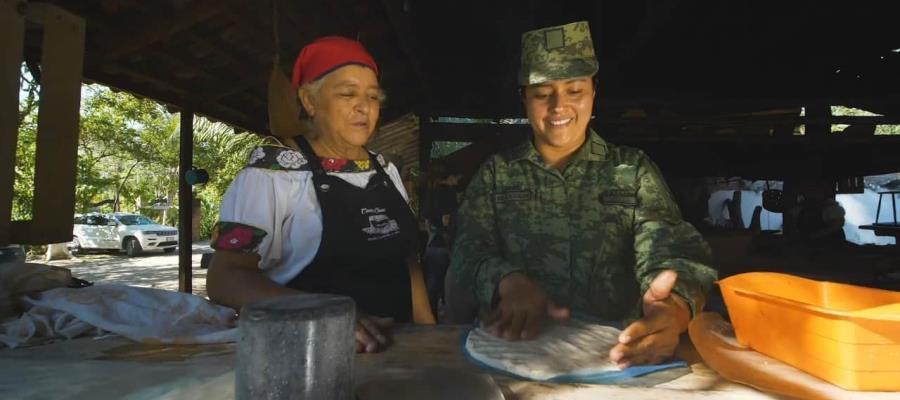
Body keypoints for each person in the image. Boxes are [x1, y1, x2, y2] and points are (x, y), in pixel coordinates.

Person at [447, 21, 717, 368]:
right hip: (516, 357)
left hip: (618, 359)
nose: (559, 106)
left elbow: (672, 246)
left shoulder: (632, 170)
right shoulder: (498, 174)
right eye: (543, 93)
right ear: (524, 99)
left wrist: (672, 308)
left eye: (574, 90)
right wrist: (506, 280)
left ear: (593, 93)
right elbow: (468, 247)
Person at [207, 36, 418, 353]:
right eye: (348, 94)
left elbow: (409, 266)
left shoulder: (386, 170)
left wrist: (431, 336)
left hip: (398, 355)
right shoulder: (271, 174)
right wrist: (324, 312)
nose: (363, 106)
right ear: (309, 101)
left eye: (373, 96)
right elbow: (224, 279)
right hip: (309, 358)